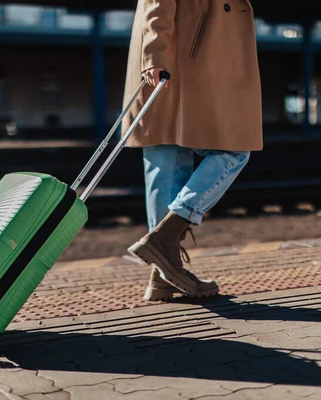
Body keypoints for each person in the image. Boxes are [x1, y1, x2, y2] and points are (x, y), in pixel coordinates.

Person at [121, 0, 263, 301]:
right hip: (177, 62)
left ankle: (162, 276)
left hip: (178, 59)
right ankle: (166, 238)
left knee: (167, 167)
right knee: (233, 151)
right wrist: (154, 54)